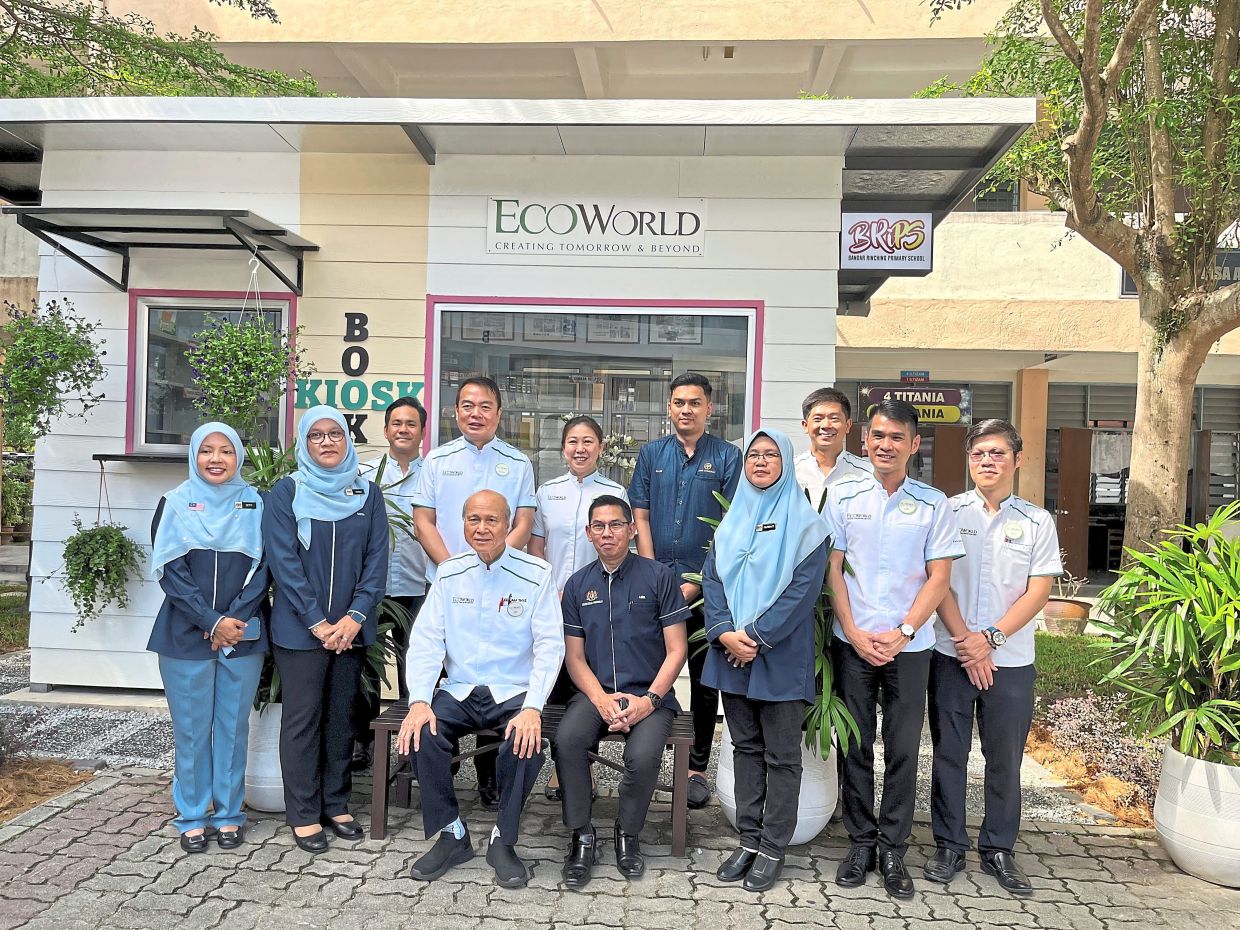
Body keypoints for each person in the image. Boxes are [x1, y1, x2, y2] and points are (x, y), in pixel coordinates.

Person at [824, 398, 963, 899]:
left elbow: (939, 577)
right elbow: (832, 569)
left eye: (896, 438)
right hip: (853, 644)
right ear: (865, 441)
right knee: (855, 746)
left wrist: (903, 631)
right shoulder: (842, 496)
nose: (885, 445)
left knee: (903, 749)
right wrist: (855, 631)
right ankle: (861, 842)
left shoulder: (933, 503)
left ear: (913, 445)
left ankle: (893, 848)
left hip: (910, 647)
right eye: (878, 436)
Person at [397, 490, 564, 889]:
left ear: (509, 525)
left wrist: (534, 707)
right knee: (422, 733)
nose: (482, 528)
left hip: (514, 690)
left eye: (492, 520)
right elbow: (426, 641)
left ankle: (502, 839)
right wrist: (419, 700)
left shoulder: (536, 573)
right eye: (474, 519)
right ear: (463, 524)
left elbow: (549, 645)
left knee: (526, 743)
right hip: (459, 689)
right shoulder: (449, 573)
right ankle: (453, 833)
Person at [925, 419, 1061, 896]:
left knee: (1004, 758)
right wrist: (967, 641)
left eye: (998, 453)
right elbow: (937, 581)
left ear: (1017, 460)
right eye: (979, 453)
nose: (988, 461)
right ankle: (948, 844)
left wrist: (992, 640)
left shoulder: (1037, 521)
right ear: (969, 460)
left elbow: (1039, 590)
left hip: (1011, 660)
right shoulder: (947, 511)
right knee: (949, 753)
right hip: (951, 654)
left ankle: (999, 848)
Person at [702, 428, 830, 892]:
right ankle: (749, 839)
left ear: (786, 462)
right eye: (753, 454)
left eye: (770, 454)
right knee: (745, 749)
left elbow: (802, 593)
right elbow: (712, 581)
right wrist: (723, 633)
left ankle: (774, 846)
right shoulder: (734, 517)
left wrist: (753, 636)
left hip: (777, 654)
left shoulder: (808, 526)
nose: (759, 461)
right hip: (731, 652)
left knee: (782, 756)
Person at [263, 405, 389, 854]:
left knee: (341, 719)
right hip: (300, 633)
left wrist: (353, 618)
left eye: (335, 433)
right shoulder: (286, 493)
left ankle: (336, 803)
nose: (327, 442)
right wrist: (318, 622)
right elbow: (284, 563)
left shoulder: (367, 494)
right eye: (316, 435)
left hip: (352, 630)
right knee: (303, 720)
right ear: (304, 443)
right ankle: (302, 812)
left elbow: (377, 562)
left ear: (348, 439)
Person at [412, 375, 537, 808]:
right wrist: (456, 567)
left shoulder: (518, 463)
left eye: (485, 406)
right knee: (451, 675)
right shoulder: (436, 460)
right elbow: (423, 521)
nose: (475, 413)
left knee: (494, 670)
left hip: (504, 583)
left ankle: (491, 780)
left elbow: (522, 522)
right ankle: (441, 777)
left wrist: (498, 562)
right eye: (467, 405)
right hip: (446, 584)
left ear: (499, 413)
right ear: (455, 412)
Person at [148, 422, 270, 854]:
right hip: (184, 634)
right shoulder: (175, 503)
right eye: (206, 451)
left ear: (239, 457)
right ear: (194, 456)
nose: (216, 459)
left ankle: (230, 814)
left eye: (226, 451)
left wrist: (231, 620)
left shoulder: (257, 503)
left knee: (234, 728)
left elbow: (266, 569)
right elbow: (171, 572)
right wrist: (209, 619)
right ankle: (193, 815)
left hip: (243, 634)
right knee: (193, 731)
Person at [556, 494, 688, 889]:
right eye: (599, 526)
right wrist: (600, 699)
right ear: (589, 533)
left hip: (652, 696)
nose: (608, 533)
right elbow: (574, 658)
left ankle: (627, 834)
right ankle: (581, 835)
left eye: (616, 525)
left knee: (643, 756)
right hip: (597, 694)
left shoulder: (658, 577)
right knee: (567, 741)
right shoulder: (578, 585)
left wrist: (649, 701)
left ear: (632, 530)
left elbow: (677, 649)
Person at [629, 372, 740, 809]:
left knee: (703, 680)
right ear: (669, 407)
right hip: (655, 586)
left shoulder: (728, 457)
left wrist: (695, 582)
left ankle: (694, 769)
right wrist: (656, 576)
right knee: (649, 671)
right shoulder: (651, 453)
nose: (686, 410)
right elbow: (640, 515)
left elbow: (729, 527)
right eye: (679, 402)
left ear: (709, 409)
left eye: (695, 402)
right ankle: (649, 757)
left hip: (704, 591)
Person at [529, 414, 628, 800]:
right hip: (553, 603)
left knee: (593, 680)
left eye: (588, 442)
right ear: (563, 448)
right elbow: (537, 546)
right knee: (556, 684)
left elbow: (619, 545)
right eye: (573, 441)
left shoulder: (615, 492)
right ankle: (561, 767)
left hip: (598, 602)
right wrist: (548, 588)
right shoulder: (547, 492)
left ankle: (585, 765)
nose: (580, 448)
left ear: (601, 448)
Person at [352, 395, 431, 771]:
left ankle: (414, 744)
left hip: (417, 586)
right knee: (365, 666)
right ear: (385, 430)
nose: (403, 429)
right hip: (370, 587)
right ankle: (363, 743)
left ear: (421, 431)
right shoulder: (365, 475)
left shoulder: (432, 474)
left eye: (411, 424)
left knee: (413, 666)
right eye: (396, 423)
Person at [794, 387, 873, 512]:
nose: (826, 425)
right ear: (805, 426)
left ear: (848, 425)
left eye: (834, 418)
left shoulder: (869, 473)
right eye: (818, 419)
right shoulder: (789, 472)